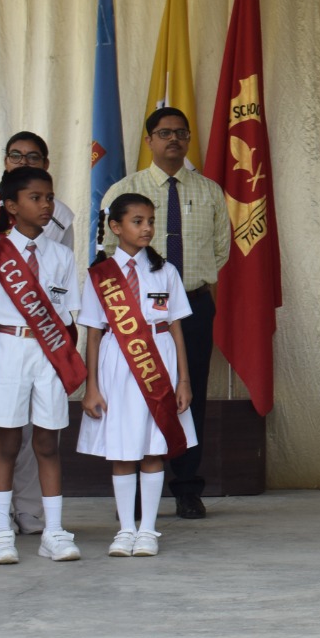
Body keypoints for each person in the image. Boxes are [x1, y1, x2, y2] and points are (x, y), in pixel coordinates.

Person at [101, 108, 229, 520]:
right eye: (164, 133)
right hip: (135, 313)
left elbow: (221, 250)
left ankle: (187, 487)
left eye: (180, 133)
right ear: (149, 141)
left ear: (189, 139)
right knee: (138, 394)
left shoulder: (209, 191)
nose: (173, 139)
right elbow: (108, 254)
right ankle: (138, 489)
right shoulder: (124, 190)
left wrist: (183, 286)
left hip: (192, 306)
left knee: (189, 395)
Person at [0, 132, 78, 535]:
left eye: (32, 156)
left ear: (46, 163)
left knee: (40, 433)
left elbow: (61, 291)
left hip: (45, 340)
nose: (23, 160)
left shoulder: (60, 217)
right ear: (5, 161)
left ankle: (32, 510)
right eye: (15, 155)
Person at [77, 194, 197, 559]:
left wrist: (184, 380)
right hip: (117, 362)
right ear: (116, 227)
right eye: (137, 221)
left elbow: (176, 327)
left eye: (150, 221)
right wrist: (91, 386)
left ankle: (147, 529)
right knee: (123, 448)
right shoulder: (100, 275)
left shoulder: (165, 271)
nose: (147, 228)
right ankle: (125, 528)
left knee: (152, 446)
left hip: (158, 360)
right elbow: (93, 333)